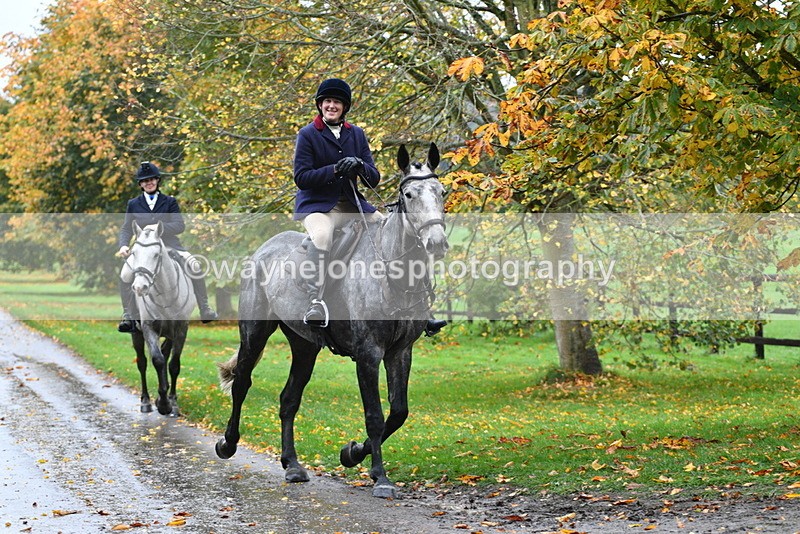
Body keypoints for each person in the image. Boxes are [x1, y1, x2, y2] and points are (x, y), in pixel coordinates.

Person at [292, 78, 447, 335]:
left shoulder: (357, 134)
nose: (331, 106)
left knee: (399, 231)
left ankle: (423, 307)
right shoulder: (308, 134)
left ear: (344, 107)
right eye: (327, 101)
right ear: (320, 105)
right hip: (318, 207)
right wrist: (334, 170)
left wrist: (360, 166)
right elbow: (302, 177)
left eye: (337, 102)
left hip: (353, 206)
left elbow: (373, 177)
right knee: (322, 236)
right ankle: (315, 302)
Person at [116, 161, 218, 333]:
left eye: (151, 179)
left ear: (157, 180)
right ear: (140, 184)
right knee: (125, 274)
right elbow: (126, 228)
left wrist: (158, 228)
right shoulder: (133, 203)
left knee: (195, 265)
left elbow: (179, 225)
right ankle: (128, 316)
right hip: (142, 249)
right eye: (145, 180)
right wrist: (124, 245)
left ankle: (204, 308)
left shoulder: (169, 201)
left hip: (169, 246)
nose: (149, 183)